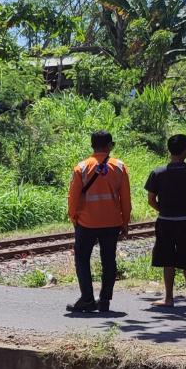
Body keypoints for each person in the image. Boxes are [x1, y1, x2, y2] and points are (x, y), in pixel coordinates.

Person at [66, 130, 131, 313]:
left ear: (92, 145)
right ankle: (104, 301)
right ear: (109, 145)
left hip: (86, 223)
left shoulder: (82, 167)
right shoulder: (119, 167)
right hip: (111, 223)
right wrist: (124, 221)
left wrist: (74, 217)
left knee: (82, 258)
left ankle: (87, 298)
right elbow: (125, 199)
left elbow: (73, 197)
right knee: (109, 260)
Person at [144, 134, 186, 308]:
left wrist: (163, 210)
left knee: (168, 259)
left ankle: (169, 298)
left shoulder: (158, 172)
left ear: (169, 150)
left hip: (165, 220)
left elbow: (151, 199)